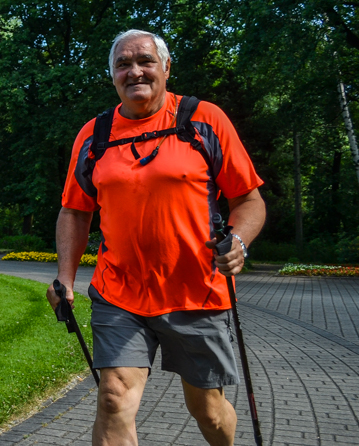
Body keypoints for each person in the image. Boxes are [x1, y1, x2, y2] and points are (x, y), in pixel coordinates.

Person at [46, 29, 266, 446]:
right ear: (112, 75)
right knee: (113, 398)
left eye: (145, 61)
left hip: (197, 292)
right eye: (123, 64)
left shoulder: (204, 120)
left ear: (166, 67)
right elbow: (75, 210)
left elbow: (249, 200)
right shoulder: (95, 134)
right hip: (120, 292)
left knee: (208, 411)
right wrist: (64, 278)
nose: (135, 71)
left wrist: (238, 242)